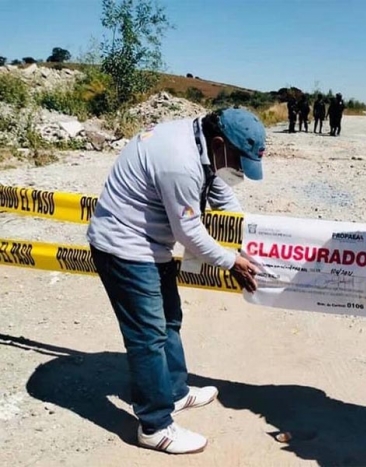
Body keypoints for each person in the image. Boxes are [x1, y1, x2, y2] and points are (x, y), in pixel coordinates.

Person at [87, 107, 264, 454]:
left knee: (170, 320)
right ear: (219, 143)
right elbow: (189, 231)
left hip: (153, 245)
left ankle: (175, 391)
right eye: (240, 161)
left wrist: (249, 234)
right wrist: (233, 262)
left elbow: (220, 191)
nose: (241, 170)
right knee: (148, 337)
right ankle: (154, 425)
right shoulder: (179, 161)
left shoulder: (201, 144)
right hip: (126, 249)